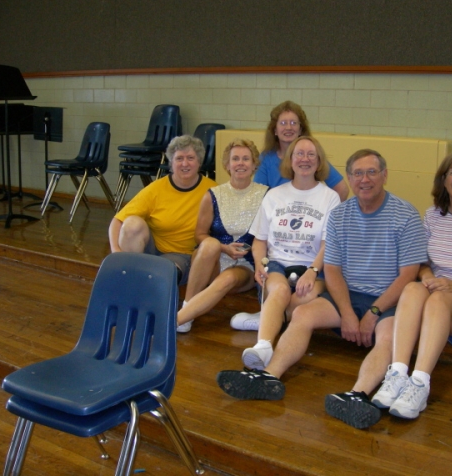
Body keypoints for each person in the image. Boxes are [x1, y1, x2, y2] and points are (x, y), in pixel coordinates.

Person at [216, 149, 427, 404]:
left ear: (385, 175)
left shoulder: (406, 215)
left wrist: (373, 312)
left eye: (372, 172)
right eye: (358, 173)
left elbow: (408, 275)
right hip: (348, 296)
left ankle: (357, 394)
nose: (365, 179)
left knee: (386, 337)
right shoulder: (340, 215)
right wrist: (347, 313)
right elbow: (334, 270)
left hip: (388, 302)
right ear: (349, 178)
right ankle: (269, 376)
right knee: (302, 314)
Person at [325, 149, 452, 429]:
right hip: (438, 287)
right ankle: (398, 373)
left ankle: (420, 381)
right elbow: (421, 263)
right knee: (412, 289)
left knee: (437, 302)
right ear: (443, 180)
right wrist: (427, 277)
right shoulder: (433, 215)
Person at [219, 135, 341, 374]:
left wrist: (313, 271)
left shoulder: (330, 197)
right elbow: (259, 241)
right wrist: (259, 265)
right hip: (277, 264)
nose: (304, 159)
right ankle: (263, 346)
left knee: (303, 302)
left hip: (312, 267)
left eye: (310, 155)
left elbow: (329, 244)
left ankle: (267, 317)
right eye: (299, 154)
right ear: (290, 160)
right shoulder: (274, 195)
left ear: (319, 162)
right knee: (280, 290)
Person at [231, 100, 349, 331]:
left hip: (310, 248)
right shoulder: (267, 164)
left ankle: (268, 317)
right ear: (274, 129)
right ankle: (274, 318)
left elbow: (342, 189)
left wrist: (326, 217)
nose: (288, 127)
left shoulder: (314, 159)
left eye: (293, 122)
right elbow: (259, 202)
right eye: (283, 122)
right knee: (279, 287)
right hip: (276, 239)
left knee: (304, 297)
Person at [175, 139, 268, 333]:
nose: (240, 163)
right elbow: (199, 234)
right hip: (212, 259)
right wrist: (223, 248)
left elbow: (267, 237)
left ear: (254, 165)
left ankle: (180, 318)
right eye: (235, 159)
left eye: (245, 159)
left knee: (226, 279)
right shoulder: (212, 194)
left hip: (245, 265)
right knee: (210, 244)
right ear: (227, 165)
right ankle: (186, 309)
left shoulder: (266, 194)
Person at [108, 135, 216, 285]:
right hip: (152, 249)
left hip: (183, 256)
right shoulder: (156, 189)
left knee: (161, 275)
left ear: (199, 162)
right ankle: (127, 275)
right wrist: (116, 252)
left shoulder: (213, 190)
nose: (185, 163)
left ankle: (137, 280)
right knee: (132, 223)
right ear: (171, 162)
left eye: (190, 158)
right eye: (179, 158)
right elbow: (117, 220)